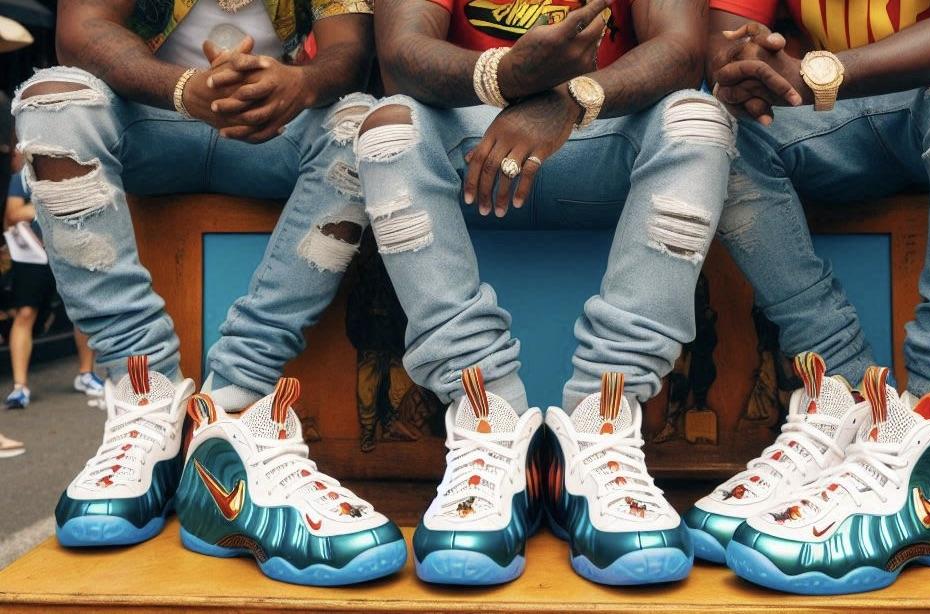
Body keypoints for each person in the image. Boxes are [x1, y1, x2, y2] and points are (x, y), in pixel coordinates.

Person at [13, 0, 405, 585]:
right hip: (149, 121)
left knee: (362, 123)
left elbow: (348, 48)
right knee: (52, 98)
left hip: (278, 126)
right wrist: (183, 89)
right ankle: (145, 394)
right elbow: (80, 31)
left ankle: (231, 403)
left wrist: (298, 84)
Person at [360, 0, 736, 586]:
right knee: (388, 128)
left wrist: (571, 99)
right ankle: (488, 417)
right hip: (474, 134)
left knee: (697, 118)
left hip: (605, 125)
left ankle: (600, 421)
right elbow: (400, 57)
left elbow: (682, 51)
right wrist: (508, 77)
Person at [684, 0, 930, 593]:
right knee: (712, 125)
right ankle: (847, 398)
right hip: (833, 113)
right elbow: (722, 37)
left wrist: (819, 72)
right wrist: (749, 62)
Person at [4, 153, 104, 410]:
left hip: (70, 250)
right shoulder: (22, 177)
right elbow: (13, 213)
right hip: (33, 255)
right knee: (25, 313)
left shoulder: (73, 169)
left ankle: (86, 374)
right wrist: (53, 202)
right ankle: (20, 387)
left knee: (82, 313)